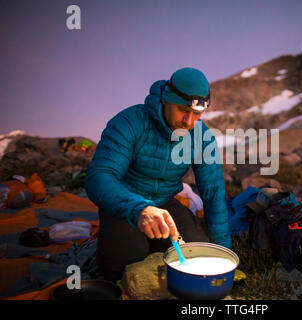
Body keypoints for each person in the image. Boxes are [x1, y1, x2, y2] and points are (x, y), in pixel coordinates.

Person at [85, 67, 231, 281]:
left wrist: (223, 256)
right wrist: (139, 209)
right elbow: (99, 177)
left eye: (197, 114)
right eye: (183, 110)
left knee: (201, 252)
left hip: (165, 203)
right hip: (126, 203)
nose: (189, 122)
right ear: (165, 100)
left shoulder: (201, 136)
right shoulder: (130, 122)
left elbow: (213, 193)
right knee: (125, 266)